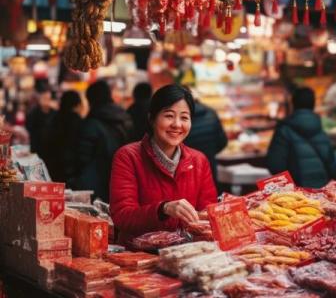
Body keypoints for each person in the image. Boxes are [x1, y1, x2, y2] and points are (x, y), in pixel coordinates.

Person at [110, 84, 217, 245]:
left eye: (184, 117)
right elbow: (122, 216)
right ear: (152, 118)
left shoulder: (199, 160)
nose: (177, 124)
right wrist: (163, 209)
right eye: (169, 115)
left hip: (185, 257)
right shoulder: (128, 156)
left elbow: (208, 214)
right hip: (139, 256)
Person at [266, 87, 336, 188]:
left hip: (297, 196)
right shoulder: (320, 130)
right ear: (313, 104)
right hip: (322, 193)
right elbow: (332, 166)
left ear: (293, 104)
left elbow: (275, 165)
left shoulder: (283, 130)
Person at [77, 80, 134, 202]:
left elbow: (82, 156)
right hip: (122, 179)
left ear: (91, 100)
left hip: (95, 184)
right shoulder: (125, 118)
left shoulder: (92, 123)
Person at [184, 93, 228, 185]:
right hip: (210, 167)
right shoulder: (211, 112)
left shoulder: (180, 118)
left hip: (186, 170)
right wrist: (209, 153)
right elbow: (223, 142)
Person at [43, 90, 84, 187]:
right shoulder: (77, 120)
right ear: (77, 104)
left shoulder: (53, 118)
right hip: (71, 170)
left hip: (52, 167)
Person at [25, 87, 56, 159]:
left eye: (48, 99)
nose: (46, 101)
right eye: (44, 98)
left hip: (51, 149)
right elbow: (29, 128)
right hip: (37, 148)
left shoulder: (55, 113)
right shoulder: (33, 113)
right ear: (40, 99)